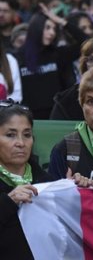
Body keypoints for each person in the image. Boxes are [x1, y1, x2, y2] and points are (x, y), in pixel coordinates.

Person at [0, 100, 54, 259]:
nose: (20, 143)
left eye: (27, 135)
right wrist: (8, 201)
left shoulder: (47, 182)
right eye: (10, 135)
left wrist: (74, 190)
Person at [15, 4, 88, 119]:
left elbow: (86, 42)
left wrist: (59, 20)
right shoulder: (17, 57)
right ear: (36, 28)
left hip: (55, 117)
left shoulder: (58, 54)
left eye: (54, 29)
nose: (52, 33)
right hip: (28, 118)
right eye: (47, 27)